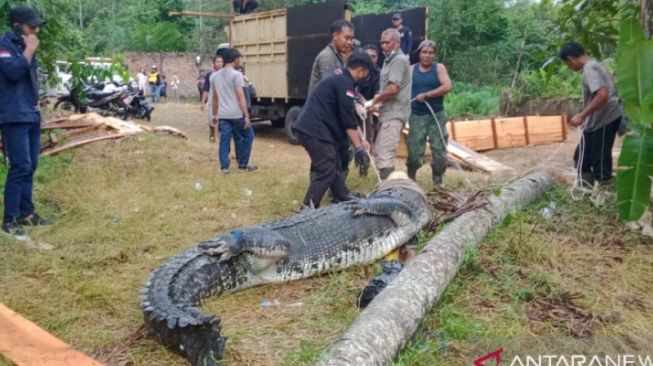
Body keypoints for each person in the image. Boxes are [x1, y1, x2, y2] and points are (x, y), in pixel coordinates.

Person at [292, 52, 373, 208]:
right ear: (361, 70)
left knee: (333, 163)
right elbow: (348, 121)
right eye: (366, 73)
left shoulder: (342, 79)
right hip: (313, 130)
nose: (365, 77)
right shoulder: (344, 84)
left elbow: (348, 116)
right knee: (327, 169)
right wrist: (358, 149)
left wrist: (362, 141)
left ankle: (342, 195)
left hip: (316, 128)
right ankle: (308, 207)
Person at [0, 6, 50, 237]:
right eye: (32, 26)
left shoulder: (24, 46)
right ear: (17, 25)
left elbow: (28, 80)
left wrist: (38, 102)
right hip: (13, 115)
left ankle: (26, 213)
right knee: (19, 166)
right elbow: (12, 72)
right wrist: (29, 50)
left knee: (31, 166)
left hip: (30, 113)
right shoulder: (5, 46)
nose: (36, 30)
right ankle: (9, 220)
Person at [559, 41, 623, 187]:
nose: (570, 67)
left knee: (600, 161)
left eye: (568, 64)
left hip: (605, 119)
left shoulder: (590, 68)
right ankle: (584, 193)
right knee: (581, 157)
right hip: (596, 121)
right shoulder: (594, 65)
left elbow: (602, 95)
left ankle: (606, 197)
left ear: (571, 59)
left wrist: (582, 115)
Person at [406, 40, 452, 188]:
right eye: (424, 52)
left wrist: (428, 95)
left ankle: (437, 183)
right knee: (414, 153)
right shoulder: (412, 69)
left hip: (436, 116)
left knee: (439, 153)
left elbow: (447, 86)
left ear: (434, 55)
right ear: (419, 54)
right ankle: (411, 178)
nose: (427, 55)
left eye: (430, 53)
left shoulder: (439, 68)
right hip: (416, 116)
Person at [370, 28, 411, 180]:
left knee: (385, 154)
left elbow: (393, 89)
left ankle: (390, 191)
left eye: (387, 42)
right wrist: (378, 101)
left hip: (394, 113)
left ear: (397, 42)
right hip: (388, 113)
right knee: (381, 152)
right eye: (382, 43)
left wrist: (375, 100)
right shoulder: (389, 60)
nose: (384, 46)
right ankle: (388, 187)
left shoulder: (398, 60)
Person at [210, 48, 257, 174]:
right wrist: (246, 115)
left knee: (224, 140)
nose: (239, 61)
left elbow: (215, 97)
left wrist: (214, 114)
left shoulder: (216, 76)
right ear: (234, 59)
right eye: (238, 58)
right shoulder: (237, 75)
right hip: (237, 114)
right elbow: (241, 96)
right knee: (248, 136)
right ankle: (243, 164)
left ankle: (224, 167)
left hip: (223, 114)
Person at [308, 19, 355, 94]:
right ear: (335, 36)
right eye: (346, 38)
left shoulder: (340, 56)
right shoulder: (327, 56)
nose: (349, 42)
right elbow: (330, 88)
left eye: (351, 39)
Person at [357, 44, 381, 143]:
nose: (370, 59)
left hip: (370, 107)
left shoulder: (378, 73)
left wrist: (372, 104)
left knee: (371, 134)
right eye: (368, 56)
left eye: (373, 56)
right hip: (353, 105)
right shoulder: (355, 70)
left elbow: (377, 92)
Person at [202, 55, 224, 142]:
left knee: (221, 122)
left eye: (221, 62)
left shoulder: (225, 74)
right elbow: (206, 89)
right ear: (214, 63)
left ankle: (221, 138)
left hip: (223, 102)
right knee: (211, 120)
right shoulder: (210, 75)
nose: (220, 64)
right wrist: (203, 102)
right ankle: (212, 133)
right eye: (218, 62)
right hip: (212, 102)